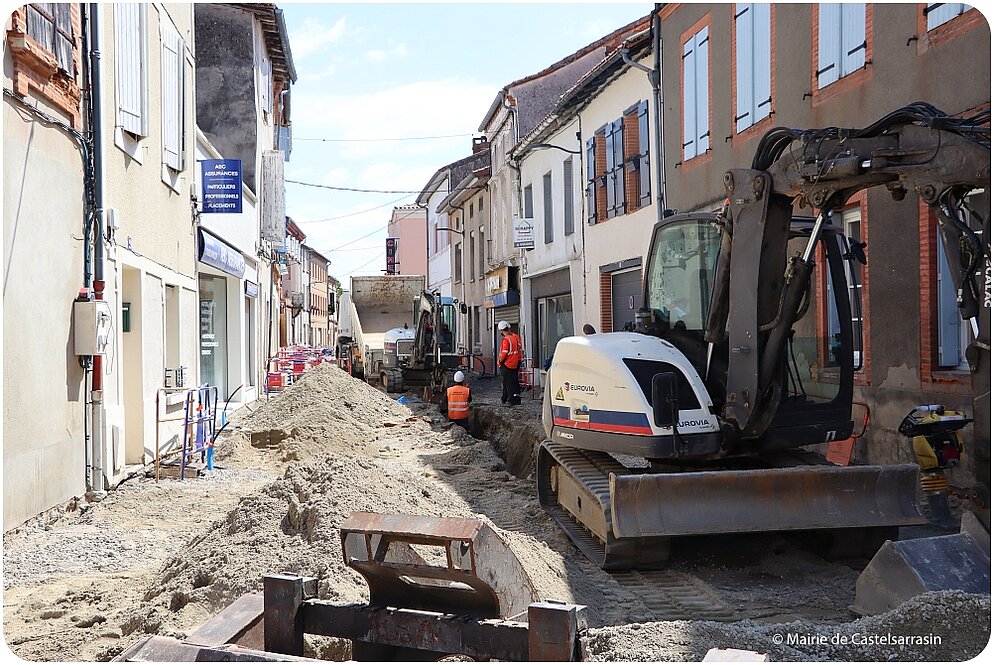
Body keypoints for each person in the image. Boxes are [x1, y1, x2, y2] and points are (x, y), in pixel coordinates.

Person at [497, 320, 522, 406]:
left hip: (507, 363)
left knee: (508, 382)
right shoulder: (515, 337)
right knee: (514, 381)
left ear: (501, 330)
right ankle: (515, 399)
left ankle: (509, 399)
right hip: (516, 362)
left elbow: (504, 353)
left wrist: (500, 361)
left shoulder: (506, 339)